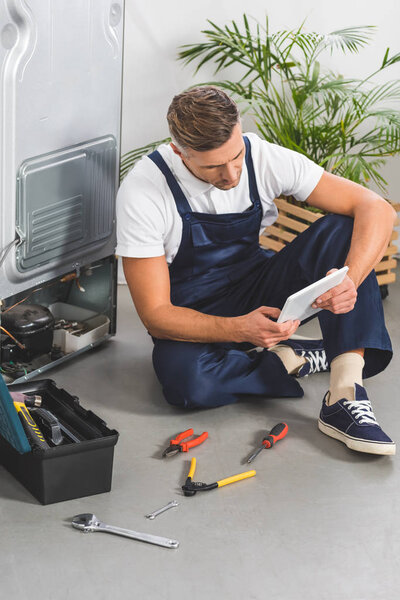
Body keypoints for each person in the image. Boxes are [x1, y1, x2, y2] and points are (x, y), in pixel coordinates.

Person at [116, 86, 396, 456]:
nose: (231, 174)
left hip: (256, 282)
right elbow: (156, 317)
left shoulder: (263, 157)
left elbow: (376, 208)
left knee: (343, 228)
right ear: (177, 150)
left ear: (240, 130)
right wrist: (237, 328)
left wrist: (352, 279)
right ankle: (289, 356)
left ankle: (344, 394)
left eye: (235, 156)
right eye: (213, 166)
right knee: (188, 386)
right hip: (189, 309)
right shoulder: (143, 191)